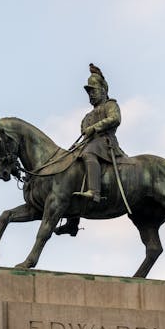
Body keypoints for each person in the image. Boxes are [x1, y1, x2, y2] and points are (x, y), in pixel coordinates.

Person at [55, 64, 125, 236]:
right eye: (88, 92)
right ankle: (72, 222)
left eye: (93, 90)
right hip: (90, 144)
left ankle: (94, 191)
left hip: (105, 144)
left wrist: (94, 128)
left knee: (88, 153)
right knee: (72, 167)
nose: (91, 95)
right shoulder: (87, 116)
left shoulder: (110, 105)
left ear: (103, 90)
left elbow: (115, 119)